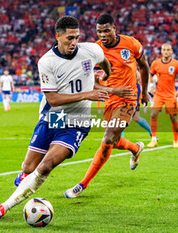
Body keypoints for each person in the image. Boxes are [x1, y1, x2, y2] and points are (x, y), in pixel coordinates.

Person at [0, 16, 113, 220]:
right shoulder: (47, 62)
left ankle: (3, 207)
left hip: (78, 122)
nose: (74, 42)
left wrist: (104, 76)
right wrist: (88, 93)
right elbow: (53, 99)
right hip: (54, 116)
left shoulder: (91, 50)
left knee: (46, 166)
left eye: (77, 38)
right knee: (28, 167)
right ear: (58, 36)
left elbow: (105, 63)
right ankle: (26, 176)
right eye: (69, 38)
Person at [64, 13, 150, 199]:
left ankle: (82, 184)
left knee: (108, 137)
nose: (103, 35)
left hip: (128, 98)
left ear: (114, 29)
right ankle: (135, 149)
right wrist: (110, 89)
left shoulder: (131, 44)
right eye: (99, 31)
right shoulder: (94, 50)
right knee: (113, 140)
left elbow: (144, 66)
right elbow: (90, 83)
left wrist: (144, 92)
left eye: (106, 31)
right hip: (110, 99)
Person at [147, 43, 178, 148]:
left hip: (170, 95)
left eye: (168, 50)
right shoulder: (155, 63)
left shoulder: (176, 64)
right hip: (158, 94)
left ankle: (176, 140)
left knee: (173, 118)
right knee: (153, 114)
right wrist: (151, 85)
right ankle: (153, 139)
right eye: (164, 50)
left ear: (171, 51)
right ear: (161, 51)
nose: (166, 52)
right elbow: (150, 75)